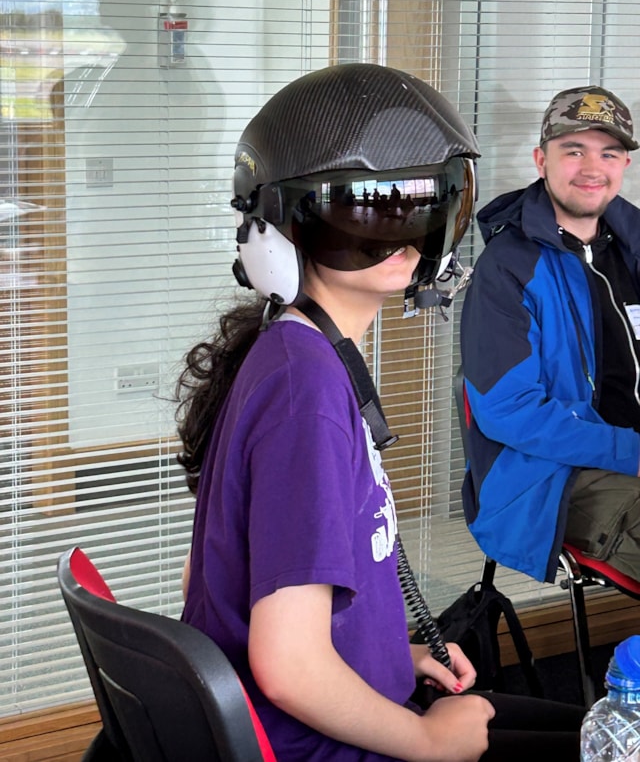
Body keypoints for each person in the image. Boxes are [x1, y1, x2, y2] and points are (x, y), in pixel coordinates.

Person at [177, 63, 584, 762]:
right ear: (277, 232)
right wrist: (424, 737)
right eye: (362, 212)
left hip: (342, 709)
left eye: (423, 208)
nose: (401, 236)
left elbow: (234, 589)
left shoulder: (295, 358)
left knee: (587, 728)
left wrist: (392, 655)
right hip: (323, 744)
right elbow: (286, 664)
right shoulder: (303, 390)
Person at [460, 84, 640, 586]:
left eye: (609, 152)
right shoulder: (508, 270)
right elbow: (510, 412)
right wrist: (635, 452)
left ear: (624, 164)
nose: (591, 167)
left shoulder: (633, 247)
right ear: (542, 160)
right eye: (573, 150)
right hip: (551, 476)